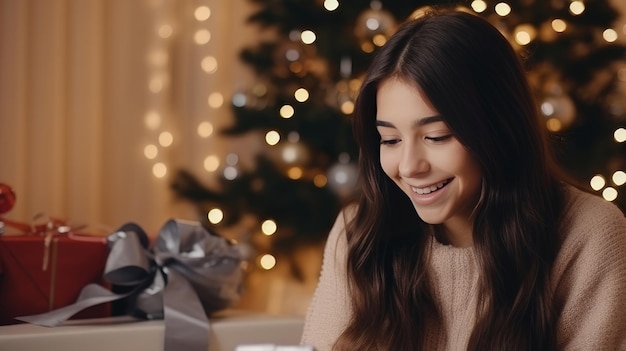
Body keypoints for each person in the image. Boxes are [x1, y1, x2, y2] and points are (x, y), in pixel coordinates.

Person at [300, 6, 626, 351]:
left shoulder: (590, 236)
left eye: (437, 136)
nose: (409, 166)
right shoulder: (359, 233)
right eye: (390, 140)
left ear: (499, 129)